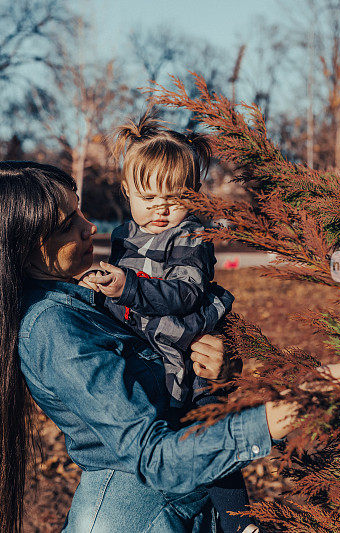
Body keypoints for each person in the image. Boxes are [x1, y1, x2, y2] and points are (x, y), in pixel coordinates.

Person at [0, 160, 340, 533]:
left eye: (79, 212)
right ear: (22, 249)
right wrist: (272, 419)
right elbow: (152, 457)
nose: (89, 226)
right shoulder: (54, 330)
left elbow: (159, 361)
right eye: (67, 225)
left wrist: (221, 369)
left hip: (181, 495)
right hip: (138, 513)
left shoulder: (80, 293)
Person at [80, 113, 254, 533]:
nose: (160, 207)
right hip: (152, 354)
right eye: (148, 196)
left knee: (208, 437)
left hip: (188, 358)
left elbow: (185, 293)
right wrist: (100, 289)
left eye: (175, 197)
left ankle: (241, 524)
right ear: (127, 192)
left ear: (194, 197)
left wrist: (126, 287)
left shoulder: (191, 238)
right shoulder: (124, 235)